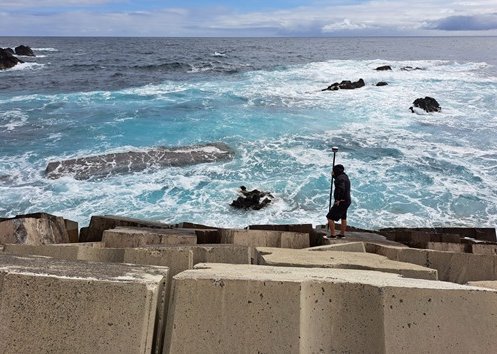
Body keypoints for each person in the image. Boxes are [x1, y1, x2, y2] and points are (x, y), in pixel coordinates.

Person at [326, 164, 351, 238]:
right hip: (347, 201)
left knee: (330, 217)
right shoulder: (345, 176)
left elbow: (341, 189)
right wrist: (334, 176)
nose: (332, 172)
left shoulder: (339, 179)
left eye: (333, 171)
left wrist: (338, 199)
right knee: (343, 217)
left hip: (341, 201)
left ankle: (333, 235)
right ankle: (342, 234)